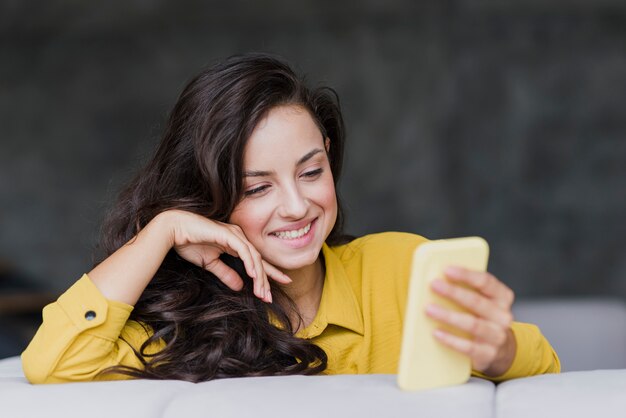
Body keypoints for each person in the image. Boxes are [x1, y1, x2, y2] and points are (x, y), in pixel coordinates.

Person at [21, 53, 560, 384]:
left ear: (329, 155)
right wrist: (162, 231)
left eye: (310, 171)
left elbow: (545, 368)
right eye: (257, 187)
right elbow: (54, 363)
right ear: (209, 199)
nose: (298, 207)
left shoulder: (403, 267)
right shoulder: (188, 320)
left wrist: (500, 350)